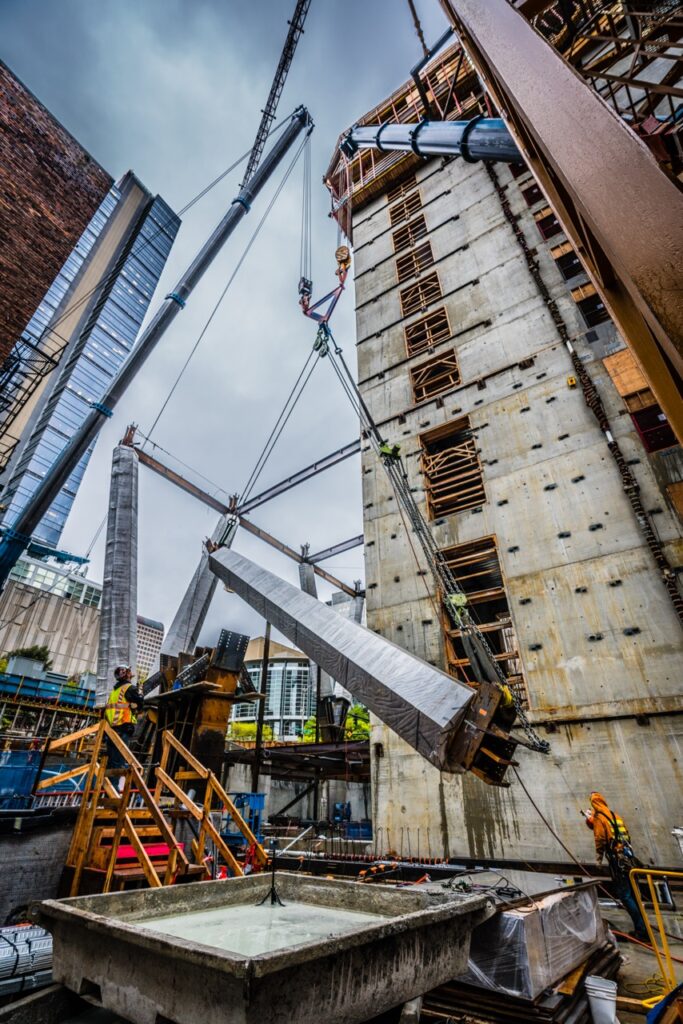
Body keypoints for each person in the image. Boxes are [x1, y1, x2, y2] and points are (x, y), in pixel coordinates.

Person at [585, 791, 648, 941]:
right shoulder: (615, 816)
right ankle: (644, 928)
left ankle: (642, 931)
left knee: (625, 896)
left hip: (617, 861)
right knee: (634, 895)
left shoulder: (600, 817)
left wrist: (599, 859)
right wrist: (591, 821)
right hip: (629, 859)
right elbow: (618, 833)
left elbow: (600, 838)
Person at [103, 666, 144, 770]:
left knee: (112, 761)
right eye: (129, 672)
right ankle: (115, 780)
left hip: (110, 730)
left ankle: (109, 780)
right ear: (126, 674)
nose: (131, 674)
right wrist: (140, 692)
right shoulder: (130, 688)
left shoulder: (114, 692)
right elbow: (140, 703)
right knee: (119, 761)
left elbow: (106, 711)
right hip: (123, 729)